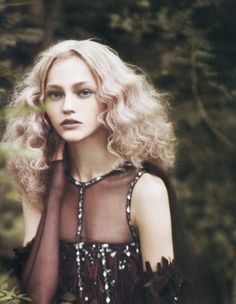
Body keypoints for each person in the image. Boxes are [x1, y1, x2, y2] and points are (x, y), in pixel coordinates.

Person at [3, 39, 196, 303]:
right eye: (55, 94)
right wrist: (56, 186)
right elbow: (37, 296)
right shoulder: (39, 183)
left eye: (84, 92)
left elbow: (163, 299)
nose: (67, 106)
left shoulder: (145, 190)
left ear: (111, 99)